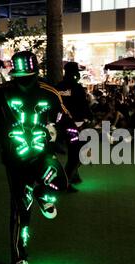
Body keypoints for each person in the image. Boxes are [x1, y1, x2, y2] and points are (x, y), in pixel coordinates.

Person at [0, 51, 79, 264]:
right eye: (19, 77)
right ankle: (19, 259)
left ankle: (42, 195)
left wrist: (74, 140)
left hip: (43, 153)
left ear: (35, 74)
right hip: (16, 160)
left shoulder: (49, 94)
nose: (23, 81)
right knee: (21, 210)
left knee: (61, 183)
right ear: (14, 74)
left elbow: (67, 122)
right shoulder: (2, 93)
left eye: (27, 76)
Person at [56, 61, 94, 191]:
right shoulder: (77, 88)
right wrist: (88, 118)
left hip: (59, 126)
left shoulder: (57, 87)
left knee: (75, 152)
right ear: (74, 73)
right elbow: (84, 107)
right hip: (75, 126)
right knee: (77, 154)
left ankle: (74, 175)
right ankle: (65, 182)